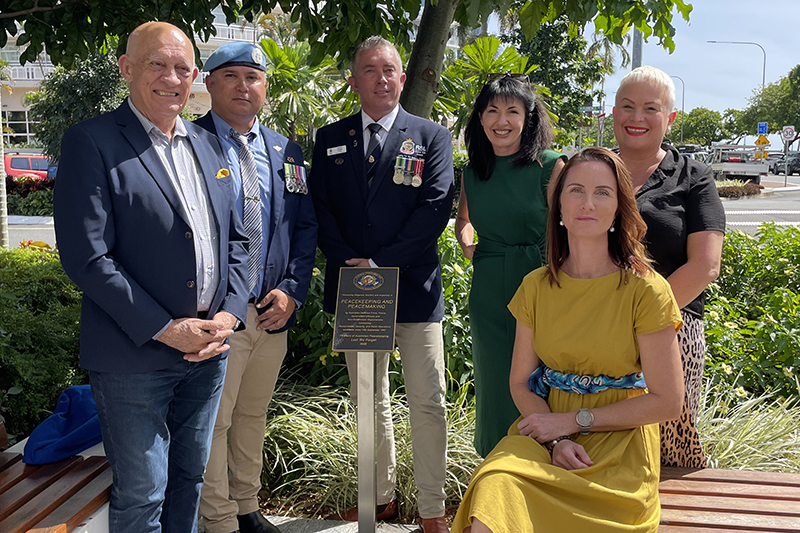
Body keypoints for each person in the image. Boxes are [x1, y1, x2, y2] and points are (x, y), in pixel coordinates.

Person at [53, 22, 249, 533]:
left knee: (189, 480)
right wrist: (166, 328)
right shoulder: (91, 142)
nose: (172, 78)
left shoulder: (208, 146)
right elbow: (86, 257)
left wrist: (229, 312)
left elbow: (238, 242)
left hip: (208, 353)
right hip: (133, 357)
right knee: (143, 495)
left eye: (183, 68)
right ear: (126, 69)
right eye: (157, 65)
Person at [451, 147, 684, 533]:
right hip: (545, 438)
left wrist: (575, 421)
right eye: (575, 190)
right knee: (494, 492)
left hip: (618, 447)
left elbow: (668, 401)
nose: (587, 203)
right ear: (557, 206)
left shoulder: (647, 290)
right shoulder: (536, 286)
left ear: (619, 208)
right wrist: (556, 437)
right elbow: (519, 382)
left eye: (602, 192)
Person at [308, 36, 454, 533]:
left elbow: (434, 210)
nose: (382, 78)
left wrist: (378, 261)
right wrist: (353, 263)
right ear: (354, 80)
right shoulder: (330, 137)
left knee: (427, 398)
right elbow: (320, 210)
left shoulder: (432, 137)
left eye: (390, 69)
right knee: (368, 398)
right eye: (370, 70)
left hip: (413, 286)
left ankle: (432, 508)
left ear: (403, 77)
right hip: (356, 288)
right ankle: (379, 500)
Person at [195, 42, 318, 533]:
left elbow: (303, 225)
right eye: (231, 76)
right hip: (216, 314)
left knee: (251, 416)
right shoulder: (188, 142)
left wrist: (292, 289)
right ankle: (218, 518)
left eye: (253, 76)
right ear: (209, 83)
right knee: (215, 422)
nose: (243, 86)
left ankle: (246, 507)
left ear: (265, 86)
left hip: (272, 310)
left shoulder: (285, 149)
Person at [613, 66, 725, 468]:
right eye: (627, 107)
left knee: (664, 459)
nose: (637, 118)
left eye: (650, 108)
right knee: (595, 447)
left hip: (670, 328)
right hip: (593, 324)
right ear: (613, 114)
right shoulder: (594, 169)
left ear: (670, 118)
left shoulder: (694, 177)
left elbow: (705, 265)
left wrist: (636, 323)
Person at [455, 74, 566, 457]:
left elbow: (570, 229)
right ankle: (497, 463)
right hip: (488, 287)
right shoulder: (473, 171)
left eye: (512, 111)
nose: (501, 120)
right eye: (492, 110)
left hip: (542, 281)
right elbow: (464, 220)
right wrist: (466, 237)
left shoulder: (550, 165)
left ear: (528, 117)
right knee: (496, 380)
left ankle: (546, 462)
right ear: (480, 118)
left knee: (543, 378)